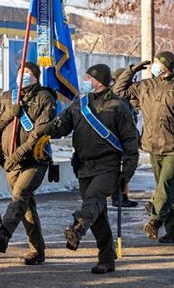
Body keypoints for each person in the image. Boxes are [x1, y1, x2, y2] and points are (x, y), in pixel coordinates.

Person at [35, 64, 139, 274]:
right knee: (98, 216)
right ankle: (107, 260)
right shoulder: (79, 105)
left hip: (108, 166)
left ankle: (78, 228)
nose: (85, 81)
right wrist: (45, 130)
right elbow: (62, 126)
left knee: (93, 199)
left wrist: (126, 173)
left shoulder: (118, 106)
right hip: (83, 166)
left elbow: (130, 141)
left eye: (88, 77)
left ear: (99, 80)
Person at [113, 51, 174, 243]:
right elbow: (119, 91)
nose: (153, 65)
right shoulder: (146, 86)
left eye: (156, 62)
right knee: (170, 188)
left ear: (165, 66)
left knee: (165, 184)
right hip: (153, 144)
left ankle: (155, 219)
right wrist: (130, 71)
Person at [0, 62, 55, 265]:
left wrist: (19, 153)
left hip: (34, 160)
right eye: (19, 72)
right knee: (25, 207)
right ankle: (37, 250)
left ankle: (4, 233)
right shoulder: (8, 96)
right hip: (10, 161)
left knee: (20, 195)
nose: (22, 75)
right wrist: (10, 113)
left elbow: (40, 132)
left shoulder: (44, 98)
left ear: (35, 76)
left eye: (26, 72)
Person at [109, 67, 139, 208]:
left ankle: (123, 196)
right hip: (118, 136)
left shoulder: (126, 94)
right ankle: (117, 196)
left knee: (125, 167)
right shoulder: (115, 93)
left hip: (126, 135)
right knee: (120, 167)